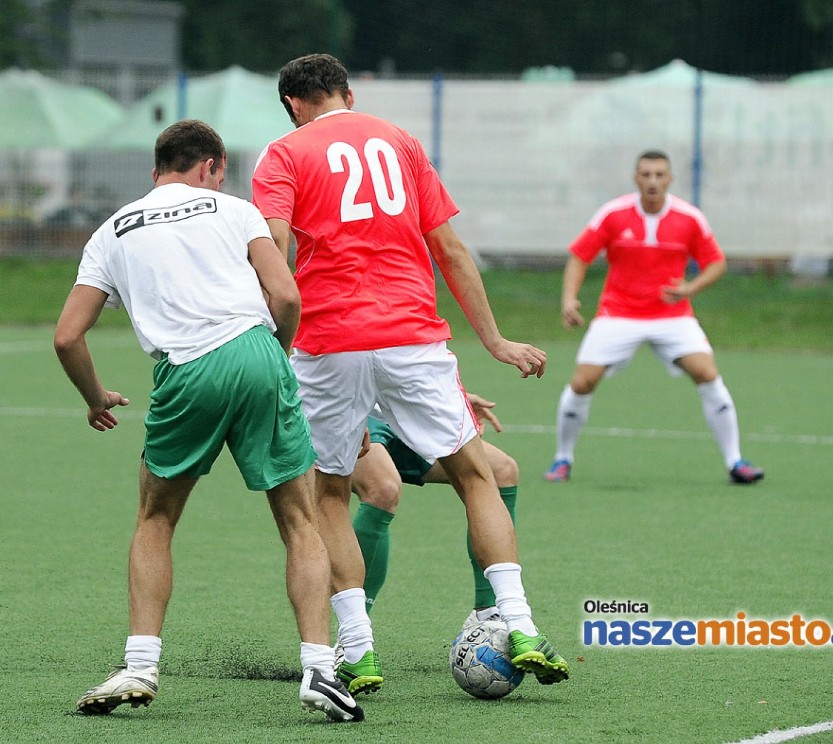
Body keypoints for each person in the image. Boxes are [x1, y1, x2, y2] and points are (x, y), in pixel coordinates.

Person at [252, 53, 569, 695]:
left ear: (291, 103)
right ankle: (521, 625)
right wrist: (495, 339)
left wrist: (271, 340)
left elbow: (275, 251)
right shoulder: (399, 142)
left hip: (327, 342)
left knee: (331, 494)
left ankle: (359, 650)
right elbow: (449, 249)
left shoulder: (282, 154)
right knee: (478, 476)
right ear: (348, 91)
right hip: (411, 337)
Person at [54, 119, 363, 723]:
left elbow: (68, 337)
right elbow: (289, 297)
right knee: (300, 520)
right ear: (214, 167)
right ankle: (322, 669)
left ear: (156, 172)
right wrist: (275, 355)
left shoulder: (112, 229)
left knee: (156, 517)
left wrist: (94, 398)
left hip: (185, 371)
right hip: (255, 352)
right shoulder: (235, 210)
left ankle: (141, 664)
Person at [544, 149, 765, 486]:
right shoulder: (613, 214)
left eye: (659, 175)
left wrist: (690, 288)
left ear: (670, 179)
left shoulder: (689, 218)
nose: (652, 181)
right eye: (646, 174)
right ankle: (563, 459)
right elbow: (579, 256)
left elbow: (717, 263)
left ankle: (736, 462)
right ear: (636, 178)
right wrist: (569, 300)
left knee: (706, 372)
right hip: (618, 313)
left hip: (672, 316)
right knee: (582, 382)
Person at [352, 394, 518, 624]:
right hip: (348, 406)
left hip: (398, 410)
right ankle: (352, 632)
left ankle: (489, 615)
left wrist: (444, 396)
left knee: (501, 470)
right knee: (383, 488)